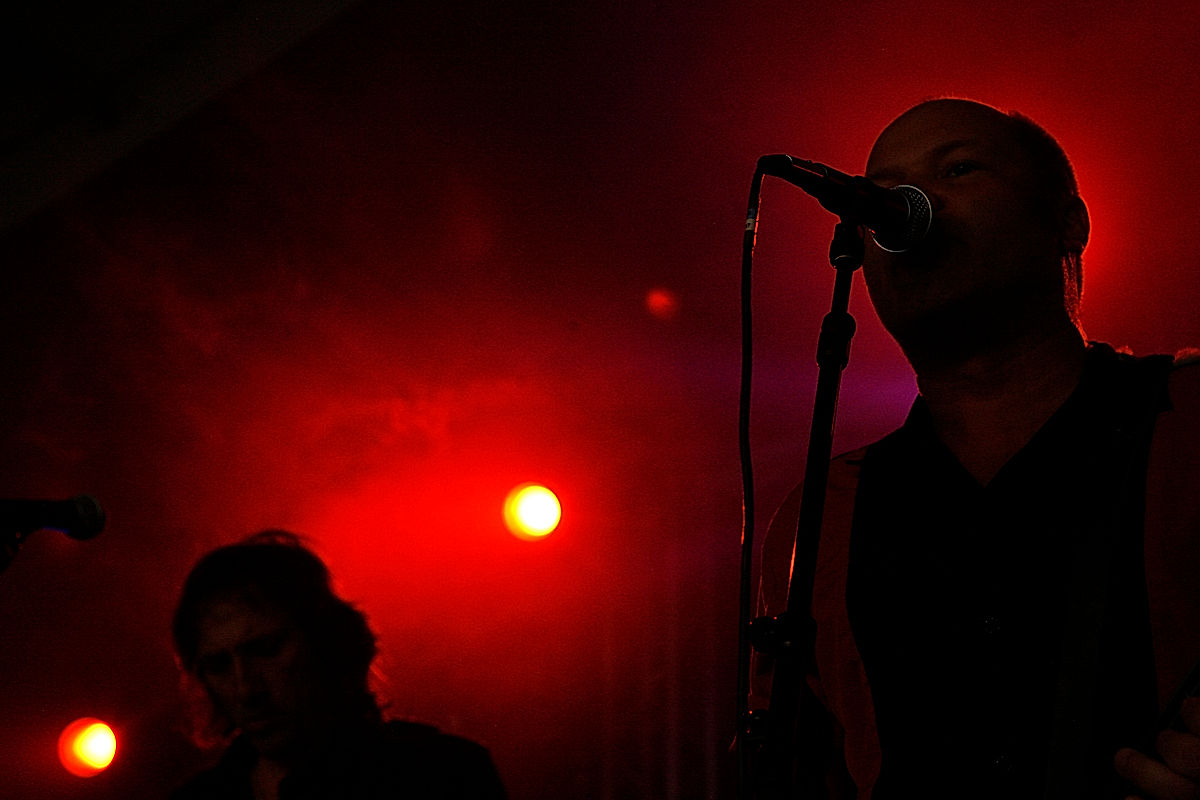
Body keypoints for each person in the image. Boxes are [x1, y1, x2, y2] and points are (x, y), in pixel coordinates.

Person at [756, 98, 1200, 799]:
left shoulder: (1187, 422)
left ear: (1069, 222)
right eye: (887, 191)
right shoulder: (821, 518)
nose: (907, 204)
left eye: (958, 169)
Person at [169, 530, 506, 800]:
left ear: (326, 641)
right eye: (219, 666)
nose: (245, 688)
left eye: (266, 650)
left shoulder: (444, 775)